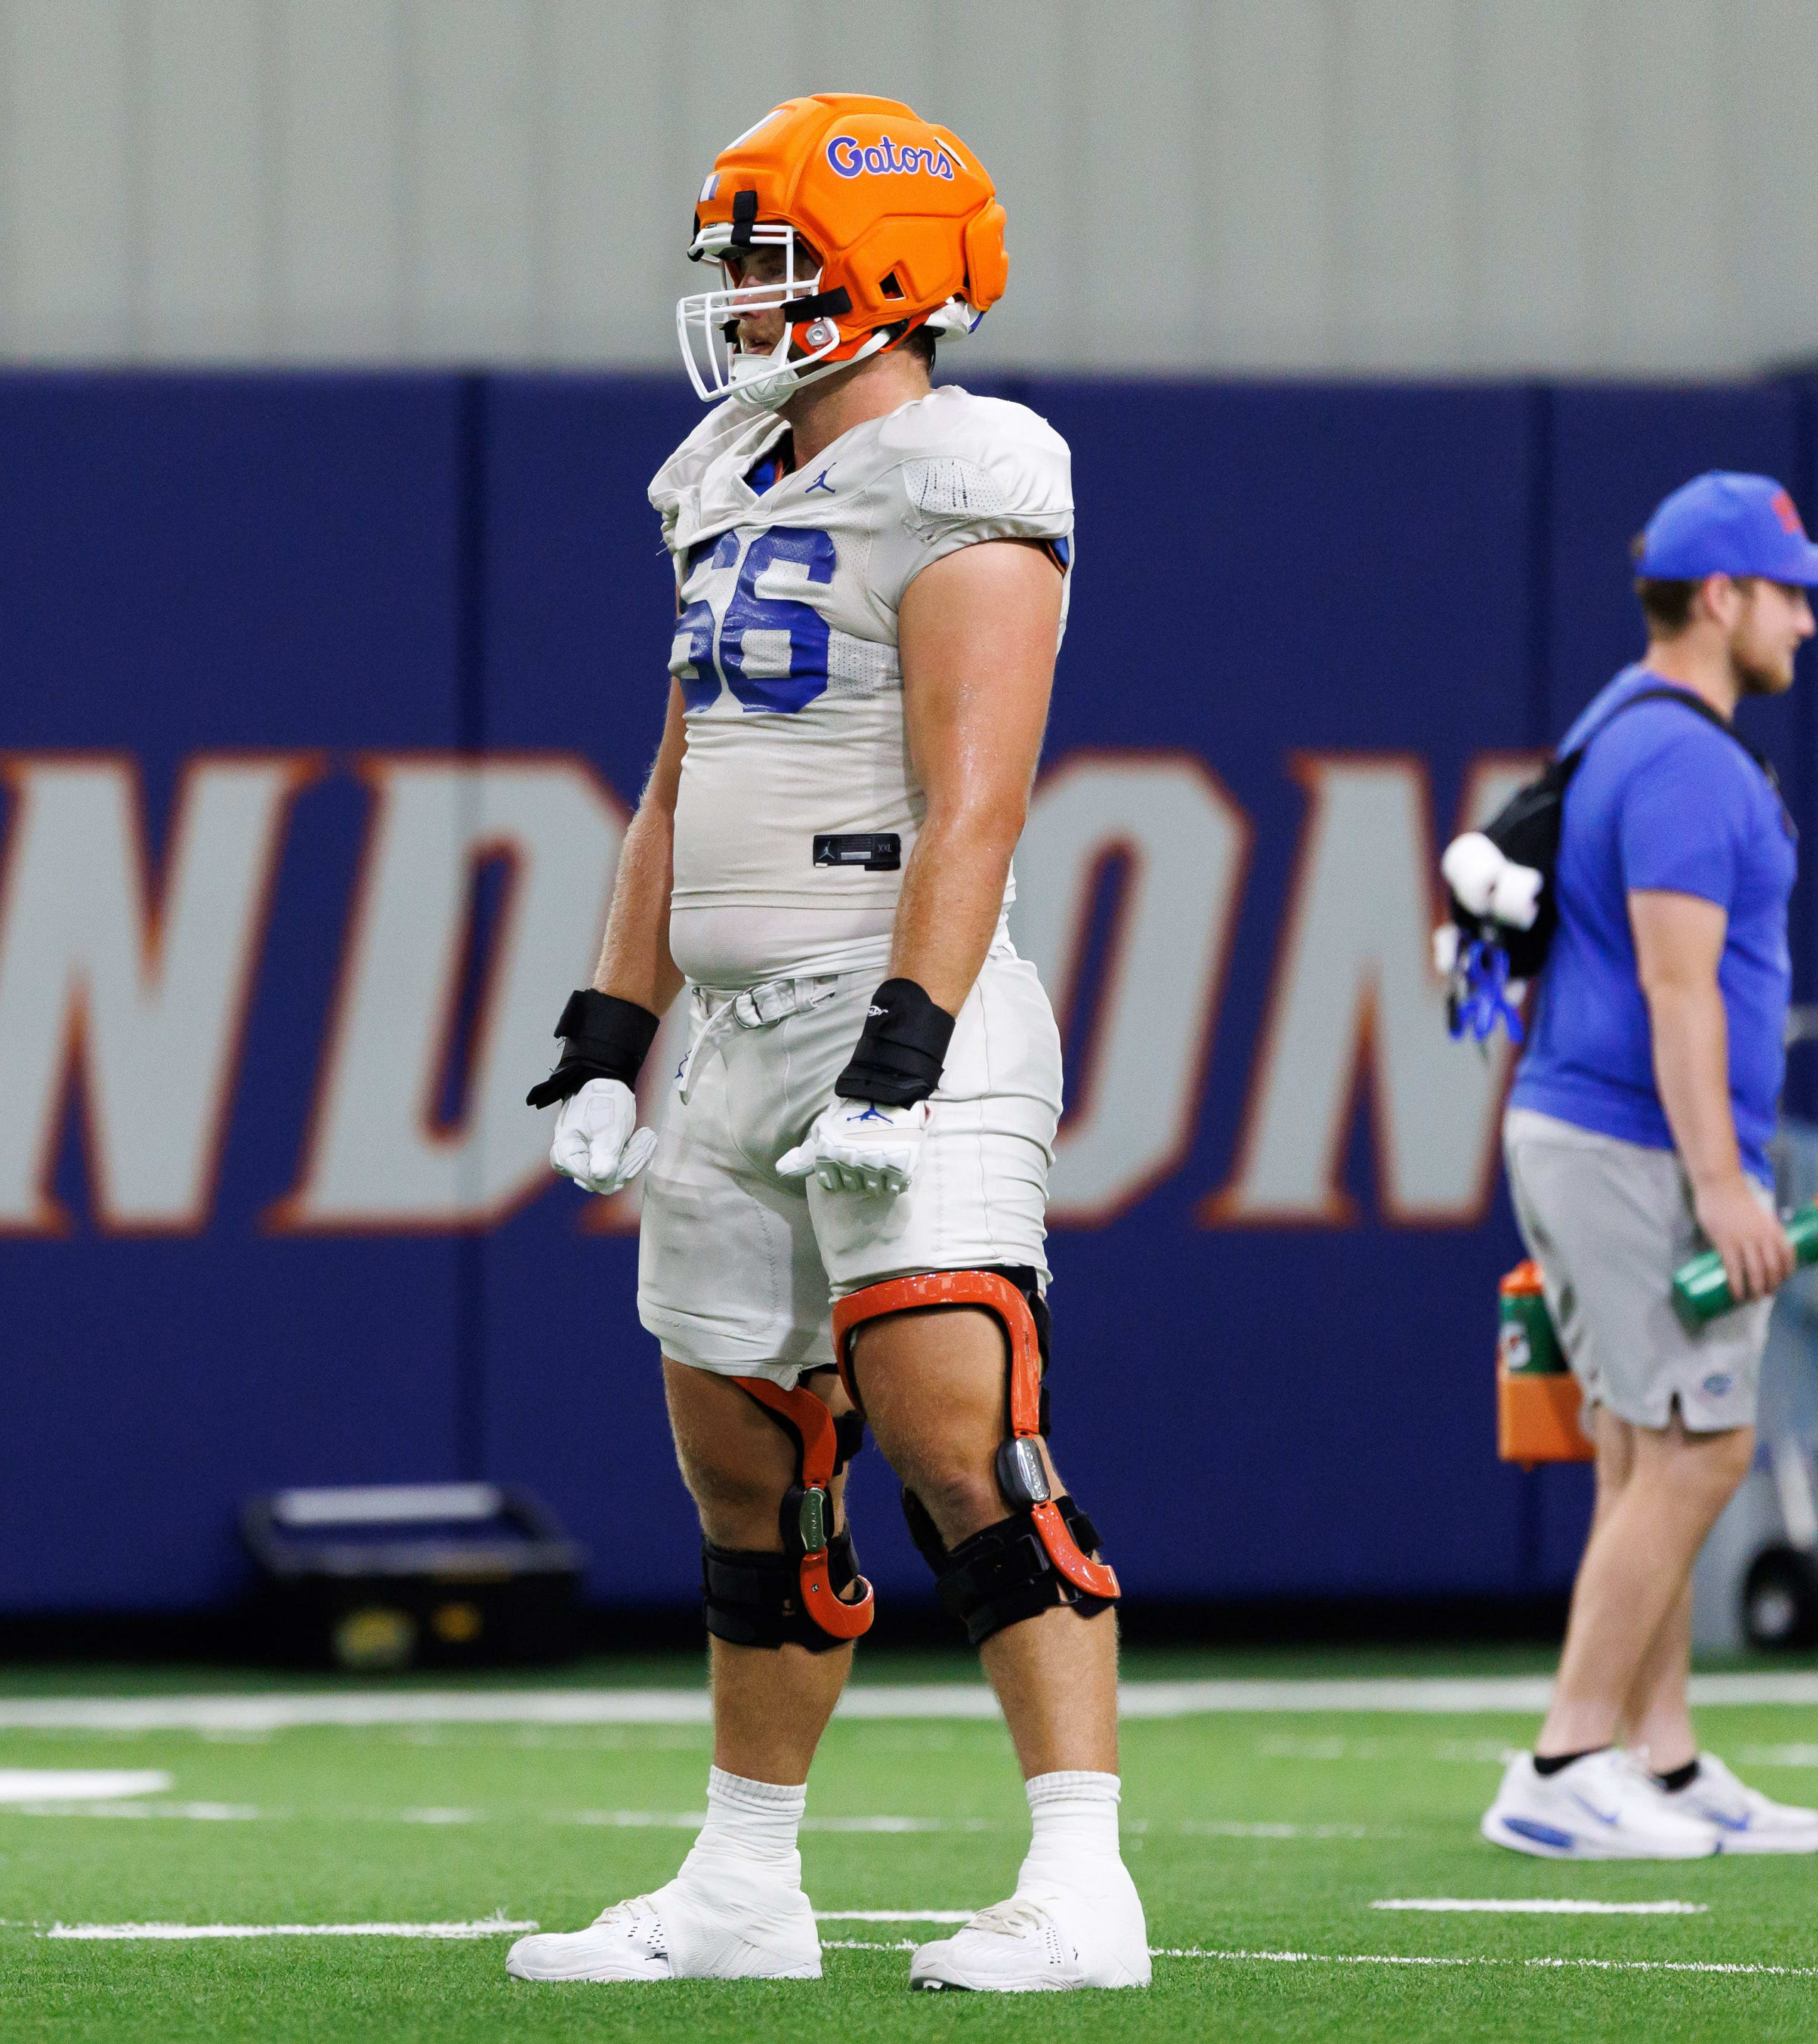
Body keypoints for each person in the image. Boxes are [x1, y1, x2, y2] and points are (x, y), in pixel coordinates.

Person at [505, 95, 1145, 1993]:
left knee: (964, 1439)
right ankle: (741, 1890)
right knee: (746, 1461)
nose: (739, 298)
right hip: (742, 1039)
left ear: (887, 269)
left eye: (772, 258)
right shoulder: (727, 475)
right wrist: (612, 1033)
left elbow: (978, 798)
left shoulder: (968, 468)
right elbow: (679, 780)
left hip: (902, 1010)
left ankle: (1083, 1881)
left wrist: (904, 1051)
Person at [1484, 471, 1818, 1859]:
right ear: (1722, 597)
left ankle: (1666, 1761)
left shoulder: (1617, 726)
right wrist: (1722, 1181)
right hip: (1637, 1148)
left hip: (1592, 1134)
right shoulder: (1690, 756)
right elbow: (1677, 979)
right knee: (1706, 1450)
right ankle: (1567, 1758)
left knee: (1646, 1448)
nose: (1808, 628)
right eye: (1789, 595)